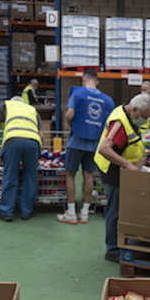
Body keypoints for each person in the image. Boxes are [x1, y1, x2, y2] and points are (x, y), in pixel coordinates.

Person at [94, 93, 150, 262]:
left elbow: (129, 143)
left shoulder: (129, 117)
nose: (145, 120)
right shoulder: (120, 123)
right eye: (144, 117)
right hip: (113, 171)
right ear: (134, 110)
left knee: (120, 209)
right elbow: (105, 149)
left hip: (123, 170)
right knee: (115, 210)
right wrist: (127, 164)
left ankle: (119, 244)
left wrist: (146, 154)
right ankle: (112, 250)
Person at [56, 68, 115, 224]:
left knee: (70, 174)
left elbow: (69, 114)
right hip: (95, 143)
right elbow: (110, 123)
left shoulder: (78, 94)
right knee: (89, 175)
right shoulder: (108, 100)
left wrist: (69, 124)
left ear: (83, 79)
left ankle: (70, 212)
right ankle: (85, 213)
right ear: (97, 81)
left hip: (77, 140)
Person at [0, 96, 44, 222]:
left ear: (13, 101)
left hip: (13, 141)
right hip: (33, 142)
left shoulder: (7, 105)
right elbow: (41, 134)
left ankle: (6, 212)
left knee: (10, 176)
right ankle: (26, 212)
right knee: (30, 177)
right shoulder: (32, 109)